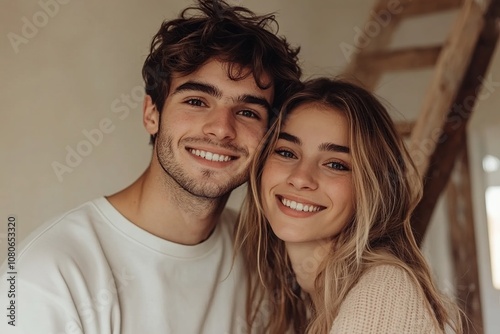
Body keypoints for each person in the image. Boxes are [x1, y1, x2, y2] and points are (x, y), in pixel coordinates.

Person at [0, 1, 301, 333]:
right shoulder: (49, 274)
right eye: (197, 101)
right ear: (151, 114)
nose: (221, 129)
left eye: (247, 112)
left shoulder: (259, 254)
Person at [235, 78, 463, 333]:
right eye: (287, 152)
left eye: (335, 164)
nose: (300, 178)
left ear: (371, 187)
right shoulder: (297, 297)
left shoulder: (383, 295)